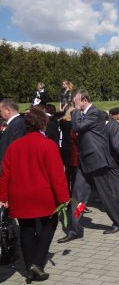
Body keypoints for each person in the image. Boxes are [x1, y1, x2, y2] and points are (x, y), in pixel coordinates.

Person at [0, 108, 69, 282]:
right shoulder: (48, 145)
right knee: (50, 225)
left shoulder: (14, 146)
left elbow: (5, 174)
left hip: (20, 195)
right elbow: (57, 175)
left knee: (26, 229)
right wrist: (63, 198)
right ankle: (36, 263)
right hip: (43, 195)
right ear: (43, 124)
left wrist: (3, 197)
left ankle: (30, 264)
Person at [57, 89, 119, 243]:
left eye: (77, 100)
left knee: (105, 194)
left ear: (85, 100)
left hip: (97, 161)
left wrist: (74, 110)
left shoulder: (95, 113)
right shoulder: (85, 114)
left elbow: (77, 127)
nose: (74, 103)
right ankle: (75, 229)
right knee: (78, 197)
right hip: (84, 161)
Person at [0, 98, 26, 168]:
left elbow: (14, 148)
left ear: (8, 111)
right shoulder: (12, 123)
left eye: (0, 111)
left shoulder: (17, 124)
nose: (0, 113)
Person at [58, 107, 78, 194]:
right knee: (73, 170)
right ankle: (73, 189)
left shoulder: (62, 122)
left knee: (67, 170)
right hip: (72, 147)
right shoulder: (74, 124)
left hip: (64, 147)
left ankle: (66, 189)